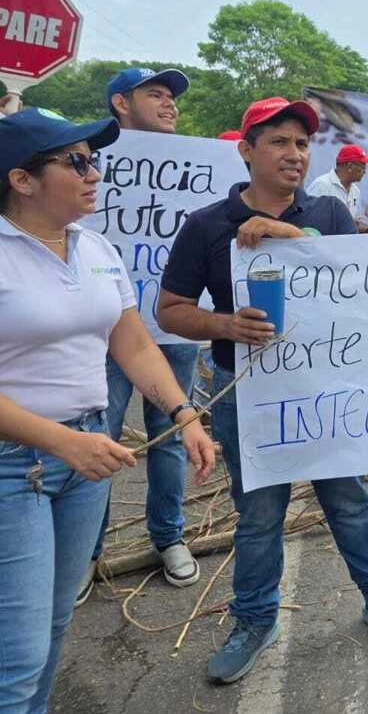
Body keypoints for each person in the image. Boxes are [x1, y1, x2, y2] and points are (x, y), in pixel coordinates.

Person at [157, 97, 368, 685]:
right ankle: (255, 620)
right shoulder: (208, 225)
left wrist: (292, 234)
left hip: (323, 390)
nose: (294, 154)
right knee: (259, 514)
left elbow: (361, 291)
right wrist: (224, 324)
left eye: (303, 144)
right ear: (247, 151)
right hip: (245, 393)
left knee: (349, 499)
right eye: (279, 142)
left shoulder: (329, 215)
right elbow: (171, 310)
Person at [0, 108, 213, 712]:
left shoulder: (96, 247)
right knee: (14, 655)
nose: (95, 172)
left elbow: (134, 343)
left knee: (53, 627)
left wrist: (184, 413)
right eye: (77, 161)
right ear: (22, 180)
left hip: (84, 460)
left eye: (94, 159)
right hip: (15, 467)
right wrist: (61, 442)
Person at [79, 66, 204, 605]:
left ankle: (168, 537)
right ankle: (86, 551)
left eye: (172, 96)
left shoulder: (204, 168)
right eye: (155, 94)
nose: (169, 103)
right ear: (120, 104)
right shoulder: (85, 159)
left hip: (173, 328)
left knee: (172, 437)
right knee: (97, 441)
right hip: (102, 332)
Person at [306, 144, 368, 233]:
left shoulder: (355, 191)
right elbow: (308, 222)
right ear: (350, 166)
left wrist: (365, 229)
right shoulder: (321, 185)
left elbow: (353, 223)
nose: (364, 172)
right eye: (363, 167)